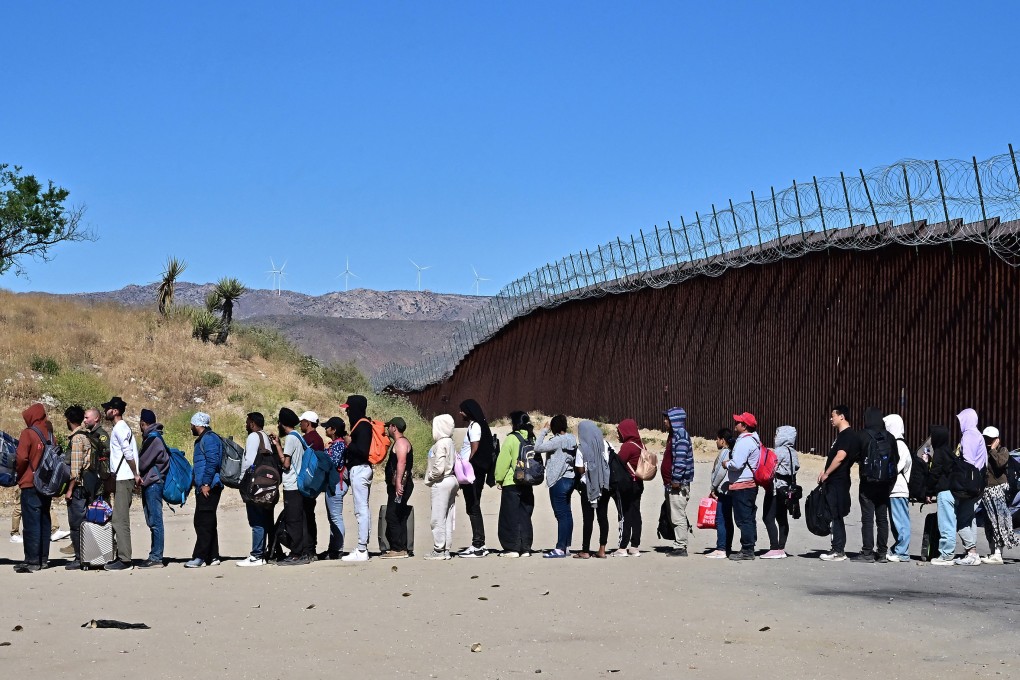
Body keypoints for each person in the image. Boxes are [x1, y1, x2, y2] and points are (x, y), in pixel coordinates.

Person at [13, 403, 53, 573]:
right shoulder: (50, 433)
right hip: (47, 484)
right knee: (45, 520)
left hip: (30, 483)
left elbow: (21, 458)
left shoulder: (28, 433)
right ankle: (43, 559)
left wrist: (19, 473)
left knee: (31, 523)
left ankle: (32, 561)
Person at [818, 405, 860, 562]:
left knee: (836, 514)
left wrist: (827, 473)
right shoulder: (842, 435)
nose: (831, 418)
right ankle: (837, 548)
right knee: (834, 514)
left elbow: (840, 456)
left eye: (833, 415)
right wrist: (824, 471)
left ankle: (838, 550)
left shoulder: (847, 436)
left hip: (838, 481)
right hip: (836, 480)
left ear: (842, 416)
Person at [103, 396, 141, 571]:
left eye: (108, 408)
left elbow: (128, 453)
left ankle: (125, 560)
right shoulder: (120, 428)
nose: (105, 411)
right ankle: (122, 556)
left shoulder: (120, 428)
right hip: (123, 477)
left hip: (124, 477)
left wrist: (135, 474)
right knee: (118, 518)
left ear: (115, 411)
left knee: (120, 520)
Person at [946, 408, 987, 566]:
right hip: (978, 483)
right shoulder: (978, 435)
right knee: (970, 519)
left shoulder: (969, 436)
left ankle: (972, 552)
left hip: (968, 484)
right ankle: (970, 553)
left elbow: (967, 462)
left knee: (962, 520)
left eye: (961, 419)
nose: (960, 423)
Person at [535, 415, 578, 558]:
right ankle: (565, 546)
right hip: (570, 479)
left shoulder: (557, 441)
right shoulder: (572, 439)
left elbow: (538, 447)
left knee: (561, 514)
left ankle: (560, 548)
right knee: (567, 514)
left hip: (558, 480)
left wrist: (544, 431)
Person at [456, 399, 495, 557]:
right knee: (472, 506)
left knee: (473, 506)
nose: (460, 413)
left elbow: (475, 448)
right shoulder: (474, 425)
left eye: (462, 410)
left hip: (473, 473)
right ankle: (478, 543)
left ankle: (478, 545)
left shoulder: (476, 426)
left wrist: (467, 467)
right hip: (473, 471)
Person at [495, 411, 535, 557]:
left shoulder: (512, 438)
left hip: (512, 482)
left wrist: (498, 479)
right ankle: (525, 547)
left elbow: (503, 462)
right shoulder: (531, 438)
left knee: (510, 516)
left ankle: (512, 548)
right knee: (525, 515)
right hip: (528, 482)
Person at [185, 412, 223, 568]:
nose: (191, 427)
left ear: (198, 424)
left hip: (209, 486)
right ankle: (213, 556)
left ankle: (199, 557)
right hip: (205, 485)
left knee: (202, 522)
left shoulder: (209, 439)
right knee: (208, 521)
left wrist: (206, 482)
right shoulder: (204, 439)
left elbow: (212, 462)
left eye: (192, 424)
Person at [856, 407, 894, 563]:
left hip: (868, 481)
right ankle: (883, 553)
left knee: (867, 518)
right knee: (882, 518)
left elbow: (856, 455)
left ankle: (867, 552)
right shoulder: (890, 437)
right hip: (885, 483)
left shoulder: (862, 435)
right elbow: (895, 459)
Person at [273, 408, 309, 566]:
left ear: (282, 423)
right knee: (299, 519)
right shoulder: (299, 437)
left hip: (292, 485)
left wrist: (278, 448)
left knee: (293, 520)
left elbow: (286, 464)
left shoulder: (290, 439)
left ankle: (296, 554)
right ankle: (302, 551)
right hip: (300, 484)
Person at [238, 412, 274, 567]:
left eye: (247, 422)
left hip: (255, 484)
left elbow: (249, 461)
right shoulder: (265, 437)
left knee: (256, 519)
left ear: (252, 423)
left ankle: (256, 555)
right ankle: (264, 552)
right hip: (267, 483)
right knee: (265, 518)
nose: (246, 425)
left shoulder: (253, 437)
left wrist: (241, 480)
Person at [979, 426, 1019, 564]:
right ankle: (992, 552)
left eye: (990, 439)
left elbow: (1000, 463)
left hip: (998, 490)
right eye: (986, 439)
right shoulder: (983, 450)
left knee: (999, 521)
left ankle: (998, 553)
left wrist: (992, 449)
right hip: (986, 491)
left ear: (997, 440)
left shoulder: (1003, 451)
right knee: (989, 522)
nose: (987, 441)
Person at [340, 395, 373, 563]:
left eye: (348, 408)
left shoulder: (363, 426)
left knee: (361, 510)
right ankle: (362, 547)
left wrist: (348, 443)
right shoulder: (360, 425)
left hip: (360, 470)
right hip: (358, 470)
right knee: (363, 509)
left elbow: (363, 452)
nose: (346, 411)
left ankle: (362, 549)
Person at [724, 412, 761, 561]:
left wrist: (726, 464)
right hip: (748, 485)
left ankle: (747, 549)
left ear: (744, 426)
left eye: (738, 422)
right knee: (748, 517)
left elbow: (737, 464)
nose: (736, 424)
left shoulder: (745, 442)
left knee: (743, 518)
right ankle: (749, 546)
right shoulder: (753, 440)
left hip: (743, 486)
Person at [137, 409, 169, 568]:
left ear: (143, 423)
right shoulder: (154, 437)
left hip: (154, 484)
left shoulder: (153, 439)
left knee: (155, 521)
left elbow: (142, 463)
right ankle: (155, 554)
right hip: (153, 483)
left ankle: (156, 557)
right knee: (153, 521)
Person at [574, 420, 611, 559]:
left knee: (588, 519)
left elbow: (580, 469)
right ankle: (602, 549)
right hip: (603, 484)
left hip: (588, 486)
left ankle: (585, 551)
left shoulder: (582, 448)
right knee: (603, 517)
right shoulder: (606, 444)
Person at [762, 425, 799, 559]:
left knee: (768, 517)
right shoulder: (793, 452)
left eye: (777, 434)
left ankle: (774, 547)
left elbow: (770, 468)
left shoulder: (779, 451)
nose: (775, 437)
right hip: (788, 489)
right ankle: (781, 547)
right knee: (782, 518)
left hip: (776, 489)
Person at [661, 407, 694, 557]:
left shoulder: (680, 435)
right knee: (673, 514)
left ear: (674, 420)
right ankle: (678, 544)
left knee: (678, 515)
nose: (665, 421)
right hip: (671, 484)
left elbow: (680, 460)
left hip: (677, 485)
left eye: (667, 418)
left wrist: (676, 479)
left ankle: (681, 546)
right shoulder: (673, 435)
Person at [62, 405, 91, 570]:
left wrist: (70, 489)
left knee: (76, 524)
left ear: (69, 420)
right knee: (84, 522)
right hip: (87, 485)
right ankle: (86, 555)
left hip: (78, 487)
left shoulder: (77, 439)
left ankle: (80, 558)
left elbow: (76, 468)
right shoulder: (86, 435)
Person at [424, 414, 458, 560]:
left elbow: (439, 467)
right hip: (452, 480)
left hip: (442, 482)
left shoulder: (440, 444)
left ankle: (438, 549)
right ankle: (445, 549)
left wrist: (431, 477)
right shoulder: (450, 442)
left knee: (437, 518)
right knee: (447, 517)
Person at [380, 417, 413, 559]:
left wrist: (398, 482)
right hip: (401, 485)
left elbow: (402, 462)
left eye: (389, 426)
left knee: (392, 514)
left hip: (401, 485)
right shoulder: (401, 442)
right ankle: (402, 547)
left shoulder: (400, 443)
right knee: (399, 514)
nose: (388, 429)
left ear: (394, 427)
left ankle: (398, 548)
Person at [613, 418, 645, 557]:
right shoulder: (641, 445)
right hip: (638, 483)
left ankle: (622, 547)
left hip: (628, 485)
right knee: (636, 513)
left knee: (626, 514)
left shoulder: (628, 446)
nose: (618, 435)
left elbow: (618, 463)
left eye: (619, 432)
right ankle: (635, 546)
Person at [925, 424, 957, 566]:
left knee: (945, 524)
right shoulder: (949, 451)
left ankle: (946, 554)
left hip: (943, 492)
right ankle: (947, 552)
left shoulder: (939, 452)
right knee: (950, 522)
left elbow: (934, 474)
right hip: (952, 491)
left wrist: (928, 492)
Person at [884, 414, 912, 563]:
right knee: (896, 521)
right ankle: (898, 548)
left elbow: (896, 468)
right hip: (894, 489)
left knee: (900, 521)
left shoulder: (899, 445)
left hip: (898, 488)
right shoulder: (896, 443)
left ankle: (902, 551)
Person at [320, 416, 349, 561]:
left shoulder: (338, 445)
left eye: (327, 427)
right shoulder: (339, 444)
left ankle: (338, 549)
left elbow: (332, 463)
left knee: (335, 517)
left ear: (334, 430)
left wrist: (325, 451)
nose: (325, 429)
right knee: (333, 518)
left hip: (336, 485)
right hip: (336, 484)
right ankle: (334, 549)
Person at [298, 411, 323, 560]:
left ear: (307, 423)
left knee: (305, 516)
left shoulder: (308, 439)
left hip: (306, 482)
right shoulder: (318, 439)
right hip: (314, 482)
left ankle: (308, 549)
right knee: (309, 515)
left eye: (302, 422)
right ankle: (310, 548)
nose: (300, 424)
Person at [706, 429, 734, 558]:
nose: (716, 441)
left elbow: (719, 472)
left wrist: (713, 487)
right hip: (731, 489)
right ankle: (727, 547)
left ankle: (721, 548)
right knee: (728, 520)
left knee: (721, 519)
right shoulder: (733, 451)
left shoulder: (725, 452)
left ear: (723, 440)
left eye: (717, 439)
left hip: (724, 490)